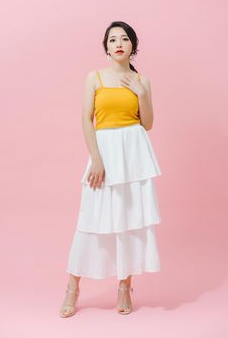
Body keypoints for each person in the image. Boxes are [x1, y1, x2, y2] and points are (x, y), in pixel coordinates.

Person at [59, 20, 162, 317]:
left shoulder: (143, 80)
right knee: (90, 219)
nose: (119, 43)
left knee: (127, 220)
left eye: (125, 39)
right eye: (112, 39)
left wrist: (141, 93)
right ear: (106, 47)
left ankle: (124, 286)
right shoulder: (94, 78)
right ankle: (72, 288)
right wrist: (96, 158)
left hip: (134, 156)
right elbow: (85, 119)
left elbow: (148, 124)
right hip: (104, 150)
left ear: (133, 45)